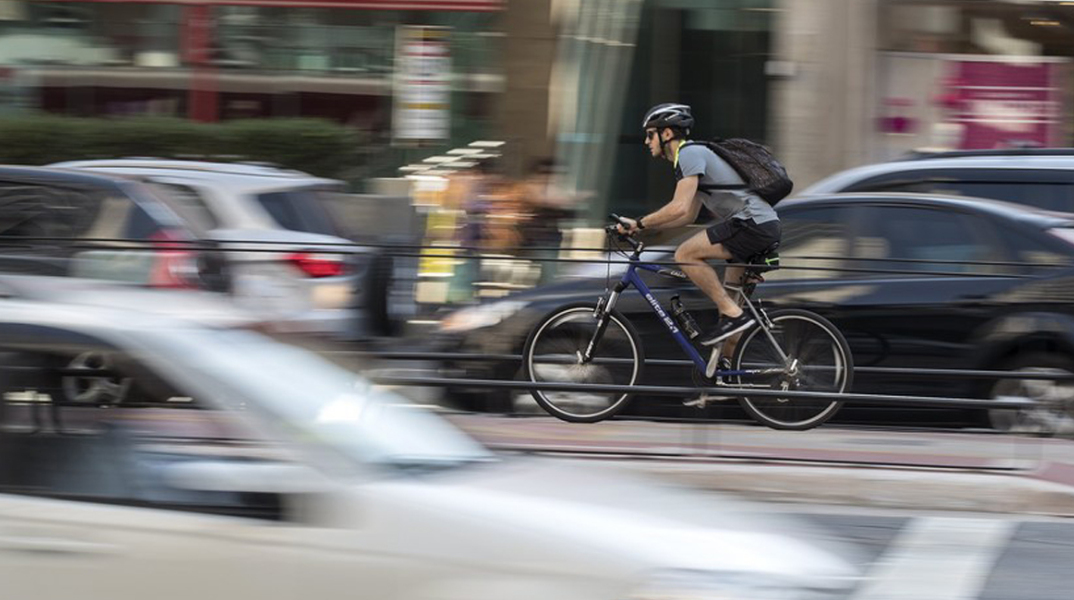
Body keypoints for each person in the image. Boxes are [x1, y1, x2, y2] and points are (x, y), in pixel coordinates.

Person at [617, 103, 781, 348]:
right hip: (761, 225)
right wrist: (646, 228)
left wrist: (639, 223)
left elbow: (679, 207)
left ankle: (732, 316)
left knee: (685, 254)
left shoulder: (688, 154)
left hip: (751, 224)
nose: (646, 141)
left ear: (667, 133)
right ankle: (727, 371)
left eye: (650, 134)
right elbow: (688, 216)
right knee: (730, 313)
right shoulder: (691, 159)